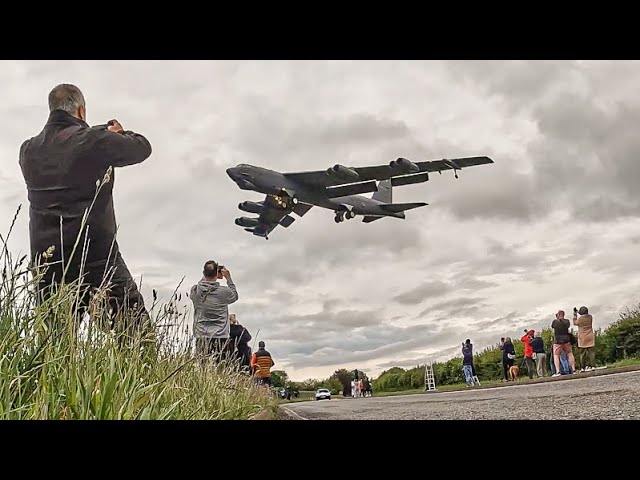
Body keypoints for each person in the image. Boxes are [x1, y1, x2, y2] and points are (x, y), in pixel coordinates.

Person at [19, 83, 152, 330]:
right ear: (81, 111)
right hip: (95, 256)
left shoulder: (27, 150)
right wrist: (120, 134)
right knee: (135, 332)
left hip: (47, 261)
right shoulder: (93, 140)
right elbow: (142, 148)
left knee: (54, 344)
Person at [190, 260, 238, 361]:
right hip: (221, 337)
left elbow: (202, 283)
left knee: (203, 371)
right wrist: (228, 278)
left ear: (203, 273)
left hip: (202, 336)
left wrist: (211, 273)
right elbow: (235, 295)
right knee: (221, 371)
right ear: (217, 273)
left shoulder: (195, 291)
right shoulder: (224, 292)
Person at [551, 310, 576, 376]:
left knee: (556, 355)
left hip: (558, 341)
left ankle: (558, 371)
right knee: (570, 353)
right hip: (566, 340)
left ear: (558, 315)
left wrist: (557, 318)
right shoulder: (567, 321)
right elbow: (566, 325)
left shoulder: (555, 322)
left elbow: (552, 326)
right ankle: (573, 369)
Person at [573, 306, 596, 371]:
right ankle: (593, 366)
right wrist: (578, 312)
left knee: (582, 353)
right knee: (591, 353)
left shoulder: (580, 319)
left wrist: (575, 315)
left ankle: (583, 367)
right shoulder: (590, 317)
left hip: (583, 337)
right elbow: (584, 314)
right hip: (590, 336)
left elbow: (575, 323)